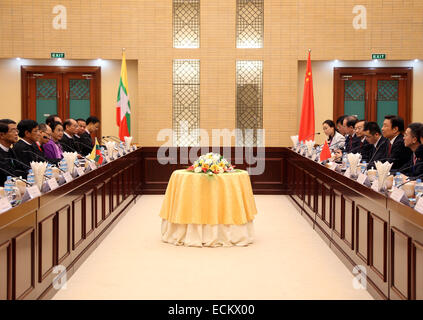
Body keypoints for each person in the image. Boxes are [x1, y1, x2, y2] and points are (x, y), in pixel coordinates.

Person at [0, 119, 24, 186]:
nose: (16, 134)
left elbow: (19, 167)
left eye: (16, 130)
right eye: (13, 131)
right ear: (2, 135)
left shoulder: (10, 150)